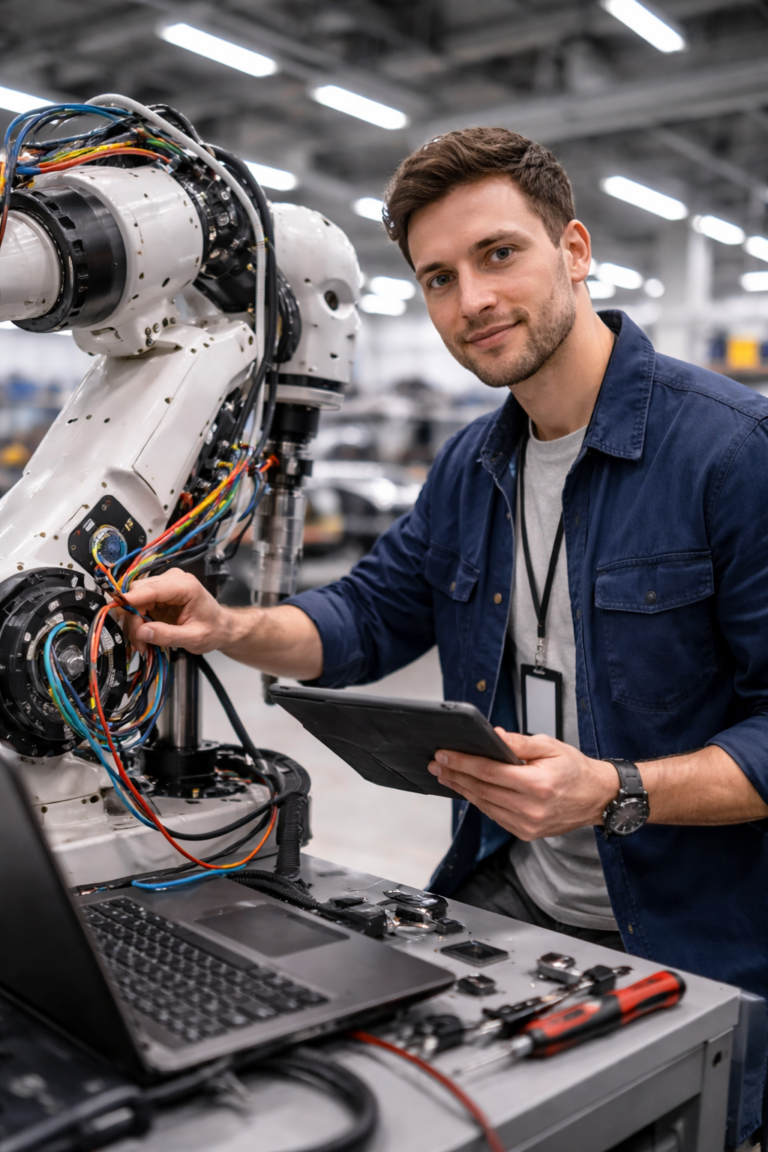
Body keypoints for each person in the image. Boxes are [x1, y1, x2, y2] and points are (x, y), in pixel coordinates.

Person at [120, 127, 768, 1137]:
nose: (472, 301)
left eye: (499, 254)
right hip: (508, 901)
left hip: (691, 934)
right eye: (437, 278)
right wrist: (222, 624)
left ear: (576, 249)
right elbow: (366, 617)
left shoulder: (729, 453)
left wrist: (614, 791)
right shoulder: (473, 464)